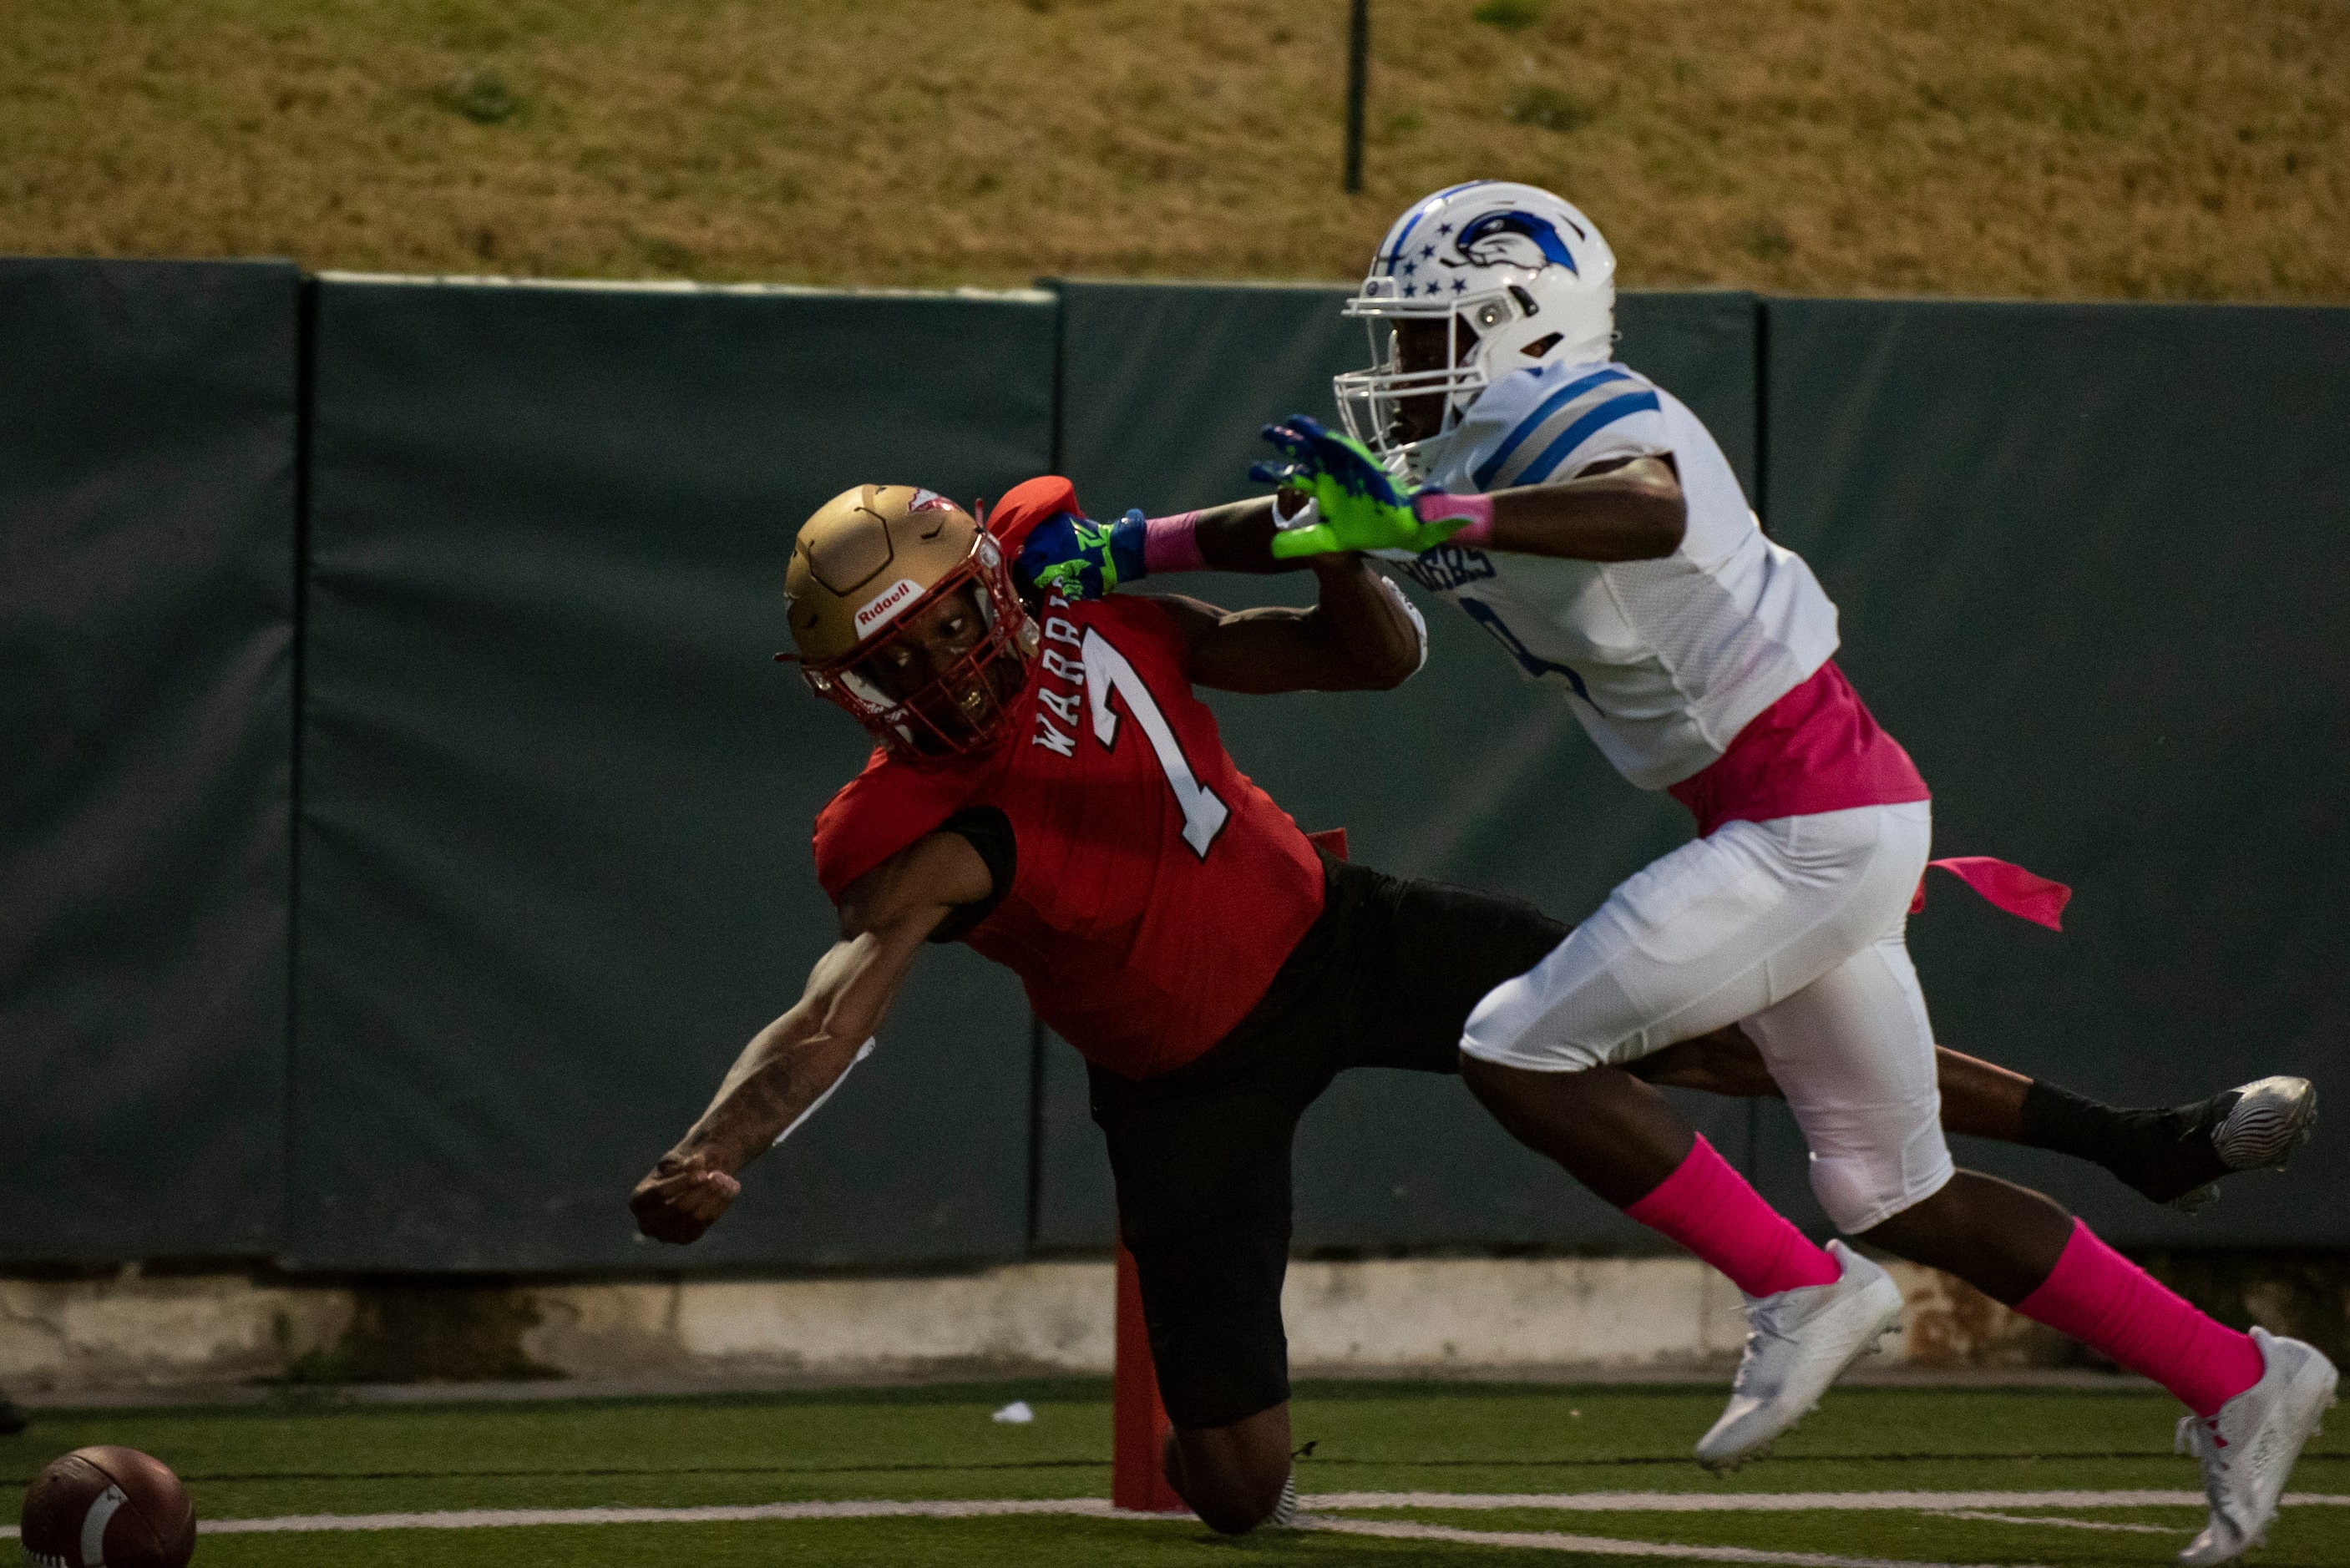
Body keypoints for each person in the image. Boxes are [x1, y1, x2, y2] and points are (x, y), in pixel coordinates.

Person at [1012, 180, 2332, 1563]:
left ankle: (1797, 1285)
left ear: (1517, 324)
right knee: (1900, 1188)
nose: (1397, 362)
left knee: (1513, 1047)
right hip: (1796, 810)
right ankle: (2242, 1378)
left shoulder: (1589, 413)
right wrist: (1125, 547)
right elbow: (1292, 520)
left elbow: (1642, 510)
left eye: (1424, 331)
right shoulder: (1465, 440)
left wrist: (1435, 519)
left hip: (1807, 817)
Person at [636, 480, 2311, 1541]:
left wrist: (1352, 546)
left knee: (1748, 1034)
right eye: (902, 664)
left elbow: (1364, 658)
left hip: (1342, 933)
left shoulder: (1102, 604)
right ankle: (2086, 1199)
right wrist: (722, 1147)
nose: (942, 680)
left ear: (989, 596)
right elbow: (834, 1011)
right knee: (1232, 1490)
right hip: (1178, 1075)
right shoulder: (903, 831)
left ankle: (2135, 1137)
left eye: (944, 637)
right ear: (858, 688)